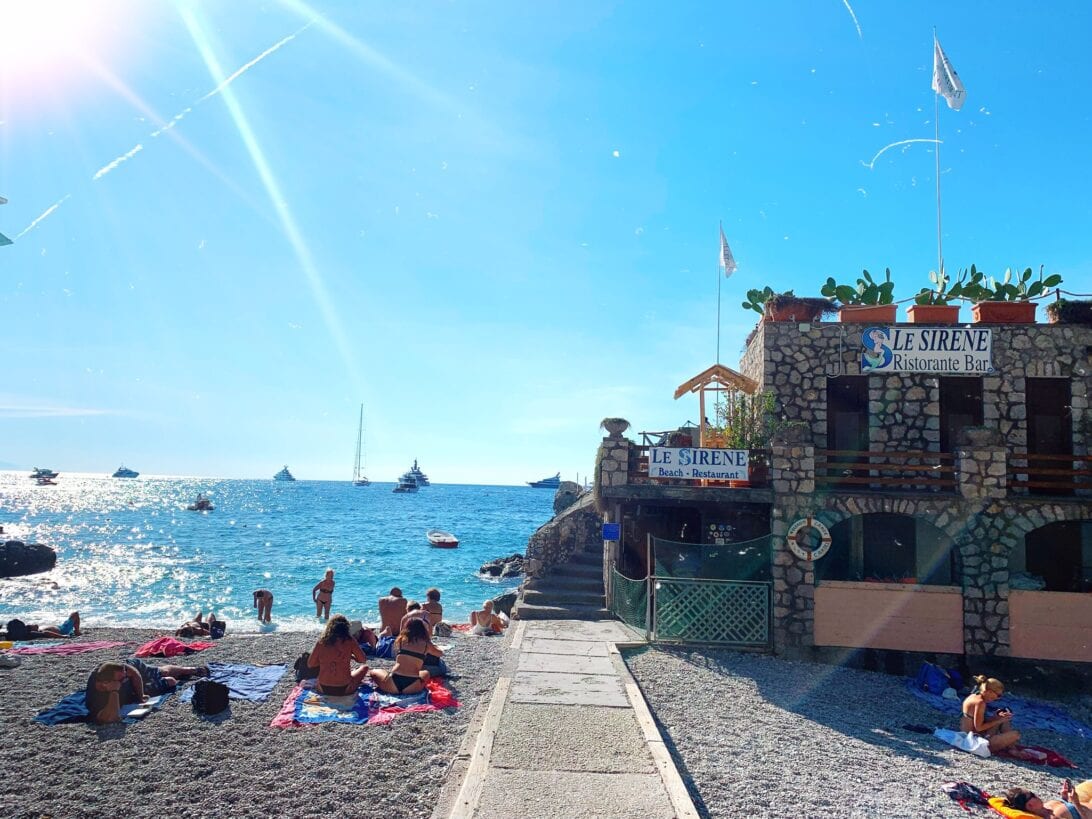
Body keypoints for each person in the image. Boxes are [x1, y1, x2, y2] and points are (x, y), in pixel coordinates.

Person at [85, 658, 206, 724]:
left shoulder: (121, 670)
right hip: (130, 691)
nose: (125, 678)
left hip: (138, 677)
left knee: (163, 672)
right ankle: (179, 676)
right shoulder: (96, 697)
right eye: (121, 679)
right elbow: (111, 717)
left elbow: (134, 674)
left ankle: (190, 670)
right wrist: (114, 692)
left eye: (125, 676)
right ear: (105, 684)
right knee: (170, 681)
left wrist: (141, 695)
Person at [306, 614, 370, 696]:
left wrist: (325, 661)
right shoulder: (350, 641)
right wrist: (352, 657)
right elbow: (363, 660)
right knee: (365, 668)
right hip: (345, 688)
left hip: (323, 688)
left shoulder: (322, 642)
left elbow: (310, 664)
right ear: (346, 627)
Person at [368, 618, 431, 695]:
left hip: (393, 683)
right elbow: (439, 653)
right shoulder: (427, 644)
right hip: (412, 686)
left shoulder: (401, 640)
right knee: (426, 673)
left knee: (374, 672)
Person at [960, 675, 1021, 753]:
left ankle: (1012, 748)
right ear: (989, 692)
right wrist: (998, 721)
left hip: (969, 735)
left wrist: (996, 717)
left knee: (1003, 719)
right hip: (974, 742)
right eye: (998, 695)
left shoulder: (974, 696)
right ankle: (1013, 749)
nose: (998, 698)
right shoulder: (980, 703)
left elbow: (976, 722)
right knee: (1016, 734)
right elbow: (979, 728)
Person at [1001, 782, 1092, 819]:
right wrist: (1076, 803)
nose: (1036, 795)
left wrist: (1064, 798)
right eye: (1032, 795)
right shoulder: (1055, 817)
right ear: (1030, 806)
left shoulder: (1047, 805)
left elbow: (1069, 809)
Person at [4, 612, 80, 640]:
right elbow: (46, 633)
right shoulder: (30, 634)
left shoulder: (11, 635)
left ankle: (76, 631)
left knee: (74, 615)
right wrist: (63, 637)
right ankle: (77, 631)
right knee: (75, 614)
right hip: (62, 630)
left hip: (55, 628)